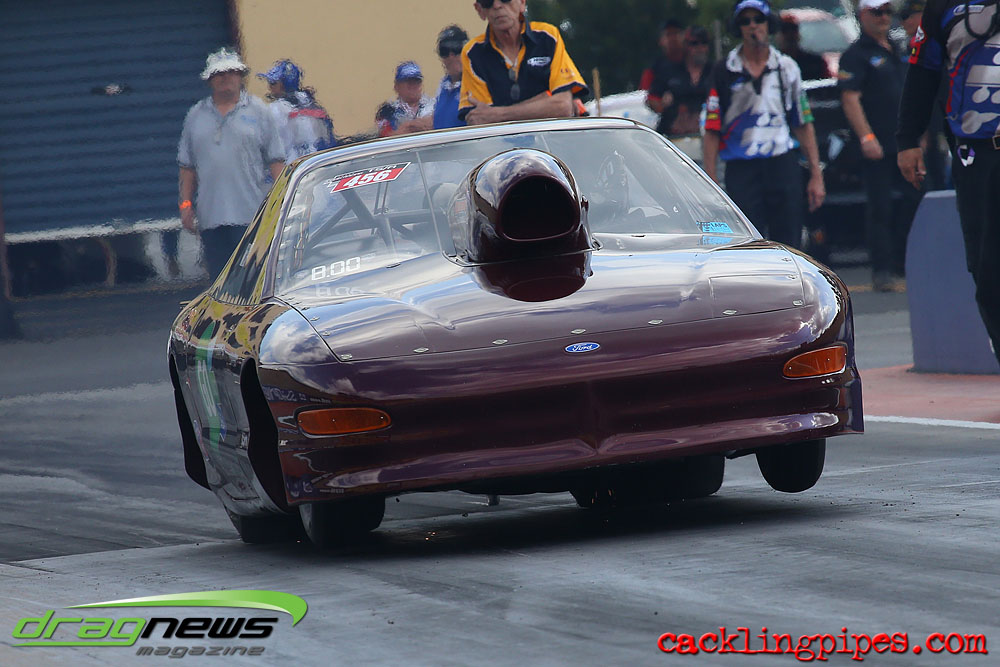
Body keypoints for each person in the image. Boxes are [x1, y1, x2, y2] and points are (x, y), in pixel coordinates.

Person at [897, 0, 1000, 363]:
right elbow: (922, 71)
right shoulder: (943, 6)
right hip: (976, 154)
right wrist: (908, 139)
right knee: (987, 270)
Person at [703, 0, 825, 249]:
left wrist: (816, 174)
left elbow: (803, 123)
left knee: (789, 242)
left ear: (769, 25)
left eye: (758, 20)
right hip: (741, 167)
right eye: (745, 21)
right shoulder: (724, 70)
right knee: (747, 244)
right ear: (738, 27)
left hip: (781, 163)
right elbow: (711, 129)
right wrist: (711, 182)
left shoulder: (786, 67)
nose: (753, 26)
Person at [177, 48, 285, 278]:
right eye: (219, 74)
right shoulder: (195, 116)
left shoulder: (259, 112)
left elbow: (276, 161)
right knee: (220, 283)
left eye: (231, 72)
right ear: (209, 79)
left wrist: (280, 204)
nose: (225, 78)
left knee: (253, 280)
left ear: (240, 76)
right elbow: (187, 167)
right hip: (211, 219)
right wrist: (185, 205)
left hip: (251, 216)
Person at [839, 0, 922, 291]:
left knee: (915, 200)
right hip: (878, 143)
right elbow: (850, 98)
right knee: (880, 208)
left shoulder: (898, 49)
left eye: (887, 12)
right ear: (863, 15)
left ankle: (905, 260)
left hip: (905, 142)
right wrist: (866, 137)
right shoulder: (855, 55)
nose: (883, 17)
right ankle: (882, 268)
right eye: (877, 12)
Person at [458, 0, 588, 125]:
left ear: (522, 2)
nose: (497, 5)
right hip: (504, 140)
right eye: (488, 2)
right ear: (479, 10)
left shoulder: (548, 36)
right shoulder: (472, 53)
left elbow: (562, 106)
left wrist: (498, 114)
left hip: (550, 137)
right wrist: (544, 100)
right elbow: (479, 119)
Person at [257, 59, 335, 162]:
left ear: (285, 84)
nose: (269, 87)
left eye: (273, 83)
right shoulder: (311, 104)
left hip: (292, 166)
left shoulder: (275, 109)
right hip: (318, 164)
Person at [647, 25, 713, 137]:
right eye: (694, 43)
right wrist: (662, 104)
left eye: (704, 43)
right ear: (685, 45)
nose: (700, 48)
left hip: (706, 134)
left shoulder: (715, 72)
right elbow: (652, 99)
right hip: (672, 136)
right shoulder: (669, 70)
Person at [376, 61, 435, 137]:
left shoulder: (434, 106)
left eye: (416, 81)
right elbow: (385, 137)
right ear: (397, 86)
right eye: (408, 82)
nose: (413, 85)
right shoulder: (387, 111)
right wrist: (410, 127)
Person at [776, 15, 831, 81]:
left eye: (793, 30)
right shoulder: (771, 63)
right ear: (777, 36)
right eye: (785, 31)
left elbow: (828, 83)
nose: (790, 35)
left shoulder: (815, 63)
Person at [640, 18, 687, 94]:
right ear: (660, 41)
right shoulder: (652, 71)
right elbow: (644, 97)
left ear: (684, 37)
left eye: (676, 33)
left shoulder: (693, 65)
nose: (673, 38)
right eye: (668, 34)